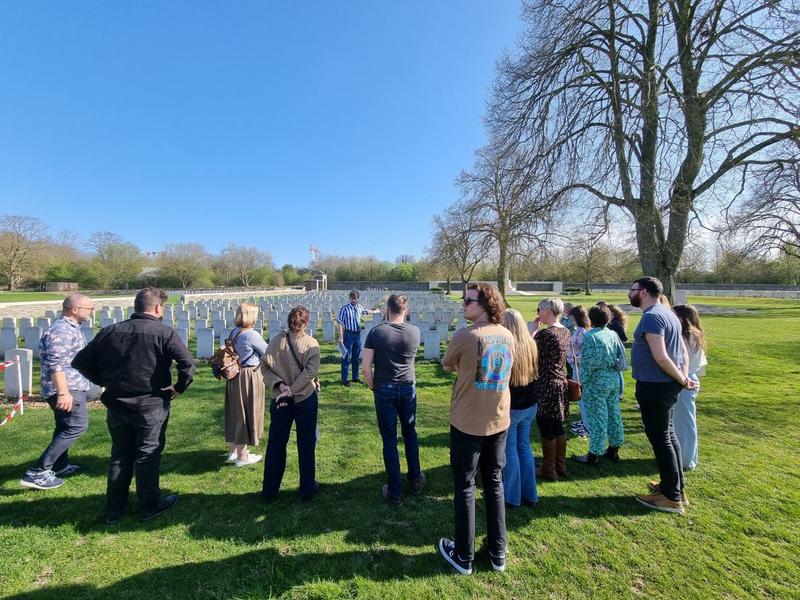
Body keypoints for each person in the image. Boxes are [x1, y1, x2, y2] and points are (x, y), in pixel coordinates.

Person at [72, 287, 195, 523]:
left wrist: (105, 381)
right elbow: (187, 365)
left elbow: (80, 362)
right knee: (147, 454)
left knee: (120, 454)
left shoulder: (110, 331)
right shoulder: (164, 332)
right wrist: (178, 388)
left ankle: (115, 509)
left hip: (117, 404)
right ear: (158, 308)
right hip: (151, 404)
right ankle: (149, 505)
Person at [438, 283, 513, 575]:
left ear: (483, 304)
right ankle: (498, 553)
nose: (463, 305)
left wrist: (466, 367)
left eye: (468, 301)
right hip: (498, 419)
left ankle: (464, 555)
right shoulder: (507, 335)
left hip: (468, 422)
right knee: (494, 483)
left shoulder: (466, 336)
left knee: (465, 486)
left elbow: (446, 364)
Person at [628, 277, 697, 514]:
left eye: (633, 289)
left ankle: (671, 497)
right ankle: (675, 487)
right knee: (668, 436)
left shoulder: (653, 316)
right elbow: (683, 354)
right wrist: (683, 377)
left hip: (655, 386)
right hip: (667, 384)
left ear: (644, 292)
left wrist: (681, 379)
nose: (630, 293)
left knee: (661, 439)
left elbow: (661, 356)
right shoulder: (669, 314)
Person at [20, 294, 95, 490]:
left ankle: (60, 465)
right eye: (89, 308)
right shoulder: (61, 331)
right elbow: (56, 364)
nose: (92, 312)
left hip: (71, 385)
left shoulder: (71, 328)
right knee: (77, 426)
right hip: (66, 388)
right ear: (74, 309)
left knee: (64, 426)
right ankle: (37, 472)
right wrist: (63, 392)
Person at [361, 294, 424, 506]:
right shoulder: (415, 331)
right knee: (410, 433)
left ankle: (395, 491)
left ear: (388, 309)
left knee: (389, 439)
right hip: (407, 388)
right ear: (405, 310)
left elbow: (365, 367)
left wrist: (373, 386)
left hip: (384, 389)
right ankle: (415, 479)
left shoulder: (376, 332)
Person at [261, 305, 321, 501]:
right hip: (303, 398)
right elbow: (310, 373)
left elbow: (264, 368)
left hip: (280, 400)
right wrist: (292, 390)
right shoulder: (312, 343)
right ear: (307, 323)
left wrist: (282, 387)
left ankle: (270, 491)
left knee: (276, 445)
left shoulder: (275, 341)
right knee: (306, 444)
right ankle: (307, 488)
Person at [572, 306, 624, 464]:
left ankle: (594, 453)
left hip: (596, 381)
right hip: (612, 378)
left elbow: (587, 363)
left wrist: (581, 382)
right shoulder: (611, 333)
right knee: (614, 414)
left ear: (591, 319)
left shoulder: (591, 336)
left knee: (597, 417)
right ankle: (614, 448)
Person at [501, 308, 539, 508]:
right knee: (524, 447)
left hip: (513, 406)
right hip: (530, 404)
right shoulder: (531, 344)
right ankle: (530, 494)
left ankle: (511, 496)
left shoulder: (508, 347)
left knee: (511, 449)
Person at [531, 297, 571, 481]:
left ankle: (549, 468)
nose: (538, 312)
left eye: (539, 309)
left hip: (546, 384)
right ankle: (559, 464)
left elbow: (527, 352)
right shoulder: (565, 331)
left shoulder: (545, 335)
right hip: (560, 382)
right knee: (557, 426)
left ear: (547, 311)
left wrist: (532, 330)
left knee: (546, 425)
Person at [224, 303, 267, 467]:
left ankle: (233, 451)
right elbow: (267, 352)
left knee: (236, 411)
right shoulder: (251, 335)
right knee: (246, 413)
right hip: (248, 376)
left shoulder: (234, 331)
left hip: (235, 376)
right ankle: (242, 457)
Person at [672, 304, 707, 471]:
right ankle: (684, 456)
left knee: (684, 422)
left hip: (685, 380)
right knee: (682, 421)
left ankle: (685, 460)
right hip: (689, 378)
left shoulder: (687, 336)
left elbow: (680, 360)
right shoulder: (695, 334)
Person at [337, 290, 381, 386]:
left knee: (356, 357)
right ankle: (344, 379)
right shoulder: (345, 309)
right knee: (345, 357)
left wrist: (376, 311)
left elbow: (366, 311)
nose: (353, 300)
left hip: (357, 334)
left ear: (357, 299)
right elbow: (340, 323)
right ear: (349, 298)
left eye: (355, 299)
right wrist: (341, 336)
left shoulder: (359, 307)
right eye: (352, 298)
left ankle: (355, 377)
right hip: (348, 334)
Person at [567, 306, 590, 438]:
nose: (570, 319)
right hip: (575, 366)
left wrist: (575, 358)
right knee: (582, 398)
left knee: (582, 398)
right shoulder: (580, 330)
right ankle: (584, 422)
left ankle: (587, 427)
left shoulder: (582, 332)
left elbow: (584, 352)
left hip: (579, 368)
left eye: (571, 316)